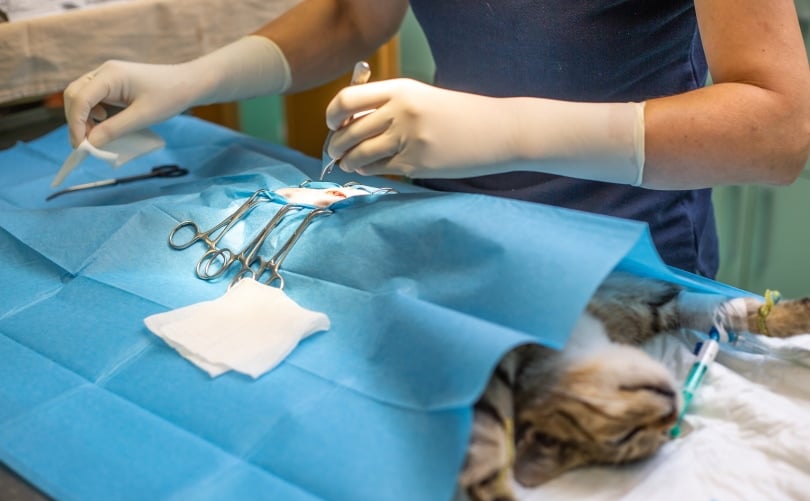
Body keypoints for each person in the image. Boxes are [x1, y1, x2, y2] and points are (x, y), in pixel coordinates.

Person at [63, 0, 810, 278]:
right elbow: (353, 18)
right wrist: (196, 78)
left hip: (624, 254)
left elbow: (778, 129)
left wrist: (510, 128)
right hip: (455, 234)